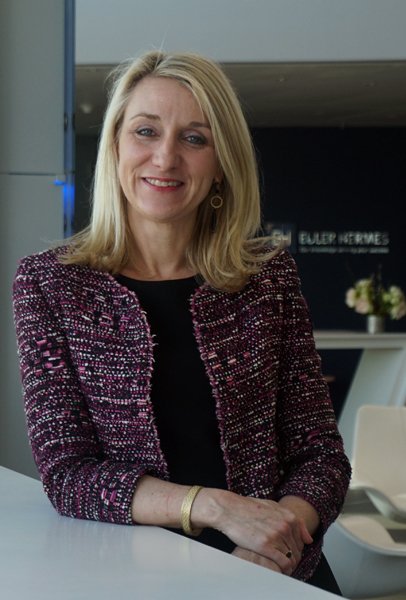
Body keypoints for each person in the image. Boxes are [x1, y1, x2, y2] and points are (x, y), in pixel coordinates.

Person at [13, 50, 350, 592]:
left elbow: (321, 456)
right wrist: (216, 508)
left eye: (194, 138)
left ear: (221, 164)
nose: (165, 157)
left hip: (277, 572)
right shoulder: (50, 284)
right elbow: (68, 473)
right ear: (116, 145)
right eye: (145, 131)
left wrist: (273, 544)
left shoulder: (268, 278)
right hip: (132, 578)